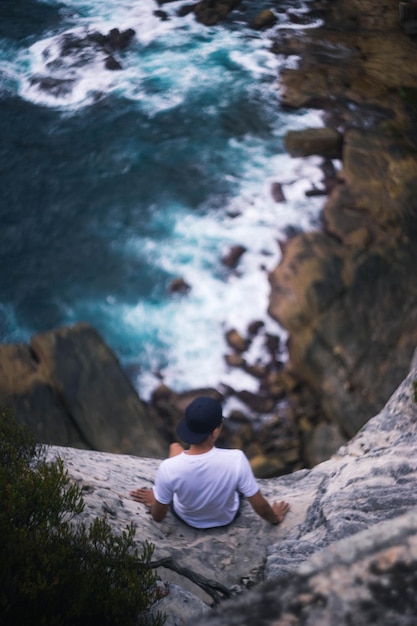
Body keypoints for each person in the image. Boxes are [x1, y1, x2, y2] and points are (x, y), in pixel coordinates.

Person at [130, 396, 290, 529]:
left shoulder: (168, 468)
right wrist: (275, 518)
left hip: (188, 519)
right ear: (215, 430)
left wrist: (157, 499)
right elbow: (261, 508)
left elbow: (158, 517)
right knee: (237, 482)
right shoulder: (236, 459)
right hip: (227, 518)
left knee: (175, 447)